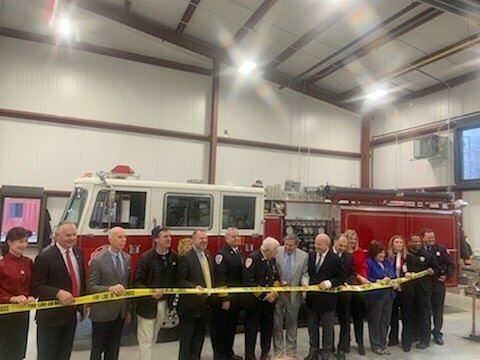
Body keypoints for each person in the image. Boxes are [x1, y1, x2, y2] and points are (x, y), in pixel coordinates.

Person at [31, 221, 86, 360]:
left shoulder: (79, 253)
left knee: (64, 355)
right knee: (47, 356)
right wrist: (57, 293)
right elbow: (36, 287)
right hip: (50, 318)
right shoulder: (45, 257)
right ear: (56, 236)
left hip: (71, 316)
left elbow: (81, 279)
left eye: (74, 234)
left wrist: (84, 304)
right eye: (68, 235)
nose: (72, 238)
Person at [133, 226, 178, 360]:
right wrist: (151, 293)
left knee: (153, 338)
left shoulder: (173, 256)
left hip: (163, 304)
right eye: (165, 236)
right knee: (146, 339)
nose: (169, 239)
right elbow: (137, 282)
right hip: (146, 306)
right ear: (156, 240)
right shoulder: (146, 258)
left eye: (169, 236)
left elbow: (176, 280)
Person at [88, 226, 131, 360]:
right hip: (102, 313)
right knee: (97, 350)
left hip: (120, 312)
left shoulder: (127, 258)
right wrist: (109, 289)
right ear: (110, 239)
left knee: (113, 350)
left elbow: (127, 285)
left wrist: (128, 309)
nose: (123, 240)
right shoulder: (98, 260)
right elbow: (91, 287)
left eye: (125, 237)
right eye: (119, 237)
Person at [304, 234, 345, 360]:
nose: (316, 246)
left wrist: (329, 283)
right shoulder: (310, 256)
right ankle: (313, 351)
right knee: (312, 327)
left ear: (327, 245)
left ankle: (326, 352)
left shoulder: (335, 259)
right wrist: (305, 283)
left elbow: (341, 278)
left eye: (319, 244)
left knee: (327, 329)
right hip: (312, 299)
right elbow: (307, 273)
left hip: (327, 300)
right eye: (315, 243)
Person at [176, 229, 215, 360]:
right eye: (201, 239)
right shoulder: (185, 258)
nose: (204, 241)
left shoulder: (208, 255)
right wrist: (194, 288)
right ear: (194, 240)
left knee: (199, 341)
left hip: (204, 306)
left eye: (206, 238)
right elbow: (180, 281)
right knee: (186, 343)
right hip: (189, 308)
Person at [242, 237, 281, 360]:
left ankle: (265, 353)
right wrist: (264, 296)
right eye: (275, 250)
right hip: (254, 303)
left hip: (269, 304)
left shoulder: (272, 260)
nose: (277, 253)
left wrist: (274, 293)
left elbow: (276, 278)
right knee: (251, 331)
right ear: (268, 250)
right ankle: (250, 356)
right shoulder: (252, 259)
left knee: (267, 330)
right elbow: (249, 281)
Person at [0, 227, 35, 360]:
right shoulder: (2, 265)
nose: (24, 245)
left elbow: (33, 284)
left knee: (19, 351)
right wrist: (11, 298)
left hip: (23, 314)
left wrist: (31, 295)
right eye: (20, 241)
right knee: (5, 350)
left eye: (26, 241)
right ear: (10, 242)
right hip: (5, 315)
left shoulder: (28, 263)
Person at [211, 227, 244, 360]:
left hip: (235, 299)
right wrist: (224, 299)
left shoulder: (238, 253)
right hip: (225, 300)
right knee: (220, 329)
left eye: (237, 236)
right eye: (233, 237)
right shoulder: (222, 255)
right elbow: (220, 279)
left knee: (231, 328)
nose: (236, 239)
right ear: (226, 238)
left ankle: (229, 353)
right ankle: (220, 355)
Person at [273, 233, 309, 358]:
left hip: (294, 295)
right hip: (279, 293)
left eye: (290, 245)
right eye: (286, 244)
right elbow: (273, 270)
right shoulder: (277, 252)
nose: (287, 247)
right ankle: (278, 351)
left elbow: (305, 273)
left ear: (296, 245)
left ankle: (290, 352)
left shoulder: (304, 256)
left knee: (292, 324)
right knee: (277, 323)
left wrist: (305, 285)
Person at [402, 235, 438, 352]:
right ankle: (410, 338)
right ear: (409, 242)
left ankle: (424, 340)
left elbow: (436, 269)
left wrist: (433, 271)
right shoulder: (405, 256)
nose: (417, 243)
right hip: (409, 291)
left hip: (423, 291)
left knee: (424, 316)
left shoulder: (428, 256)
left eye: (419, 241)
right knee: (409, 316)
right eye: (414, 241)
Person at [421, 228, 454, 345]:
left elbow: (450, 265)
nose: (431, 239)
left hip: (438, 286)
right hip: (423, 286)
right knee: (425, 312)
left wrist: (447, 276)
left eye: (433, 237)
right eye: (429, 237)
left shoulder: (441, 249)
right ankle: (424, 336)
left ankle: (437, 333)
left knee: (438, 311)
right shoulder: (419, 250)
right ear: (422, 238)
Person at [364, 240, 396, 355]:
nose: (382, 255)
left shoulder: (387, 262)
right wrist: (379, 281)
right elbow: (367, 278)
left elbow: (393, 274)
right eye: (379, 253)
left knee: (385, 321)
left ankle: (383, 343)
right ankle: (375, 344)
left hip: (389, 294)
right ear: (374, 254)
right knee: (375, 321)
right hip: (376, 296)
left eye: (383, 252)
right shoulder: (369, 263)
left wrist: (392, 280)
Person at [344, 229, 368, 355]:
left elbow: (363, 266)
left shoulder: (360, 252)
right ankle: (345, 343)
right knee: (345, 317)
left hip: (358, 289)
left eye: (354, 239)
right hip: (345, 288)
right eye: (350, 238)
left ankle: (360, 343)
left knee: (358, 317)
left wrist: (362, 277)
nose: (352, 241)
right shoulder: (342, 253)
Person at [332, 234, 356, 360]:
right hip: (329, 294)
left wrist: (348, 283)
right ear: (335, 242)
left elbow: (352, 274)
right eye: (340, 245)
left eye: (345, 246)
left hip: (344, 295)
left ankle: (342, 348)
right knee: (328, 322)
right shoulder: (328, 255)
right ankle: (328, 346)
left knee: (345, 322)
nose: (342, 248)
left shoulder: (349, 257)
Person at [386, 234, 408, 347]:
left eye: (401, 242)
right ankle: (393, 338)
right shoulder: (387, 256)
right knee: (392, 315)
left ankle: (406, 339)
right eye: (396, 242)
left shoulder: (407, 257)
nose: (399, 244)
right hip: (391, 289)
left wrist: (401, 285)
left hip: (404, 289)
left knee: (405, 315)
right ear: (392, 244)